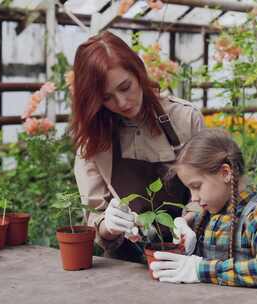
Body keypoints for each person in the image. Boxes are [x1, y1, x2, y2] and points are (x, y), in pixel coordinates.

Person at [71, 31, 204, 263]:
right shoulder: (93, 139)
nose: (122, 103)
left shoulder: (184, 119)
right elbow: (93, 214)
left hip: (187, 257)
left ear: (138, 72)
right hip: (126, 263)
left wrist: (190, 219)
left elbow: (210, 190)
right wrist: (108, 226)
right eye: (106, 98)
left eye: (125, 87)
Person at [150, 128, 257, 286]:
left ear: (225, 173)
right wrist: (183, 224)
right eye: (189, 189)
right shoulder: (205, 214)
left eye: (196, 186)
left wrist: (200, 269)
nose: (193, 197)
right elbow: (192, 211)